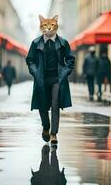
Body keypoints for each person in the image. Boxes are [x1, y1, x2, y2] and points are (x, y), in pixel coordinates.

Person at [26, 15, 75, 145]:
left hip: (57, 79)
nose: (48, 28)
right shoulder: (36, 43)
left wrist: (65, 72)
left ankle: (54, 133)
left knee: (55, 104)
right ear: (41, 26)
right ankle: (46, 126)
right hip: (41, 78)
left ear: (56, 25)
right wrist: (35, 72)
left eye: (51, 25)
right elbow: (30, 60)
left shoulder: (63, 42)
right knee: (42, 105)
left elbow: (70, 59)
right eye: (45, 25)